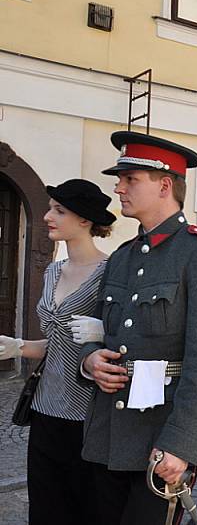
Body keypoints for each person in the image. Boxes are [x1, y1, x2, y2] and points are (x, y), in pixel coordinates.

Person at [79, 131, 197, 523]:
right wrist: (90, 361)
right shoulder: (122, 257)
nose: (118, 188)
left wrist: (180, 444)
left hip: (161, 439)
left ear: (165, 184)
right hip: (109, 434)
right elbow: (97, 330)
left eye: (130, 179)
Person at [0, 179, 115, 525]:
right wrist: (17, 346)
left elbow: (120, 341)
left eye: (58, 210)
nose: (48, 216)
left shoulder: (110, 274)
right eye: (50, 208)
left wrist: (104, 335)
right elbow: (58, 345)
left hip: (88, 414)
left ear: (84, 220)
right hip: (46, 410)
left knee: (87, 509)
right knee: (47, 509)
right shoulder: (52, 270)